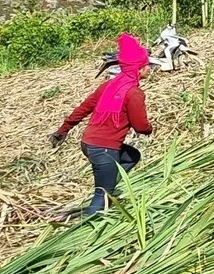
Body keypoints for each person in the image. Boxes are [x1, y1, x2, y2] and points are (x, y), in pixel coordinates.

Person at [51, 34, 153, 217]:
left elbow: (83, 109)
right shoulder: (134, 93)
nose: (149, 68)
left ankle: (108, 186)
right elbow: (141, 127)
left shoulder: (108, 86)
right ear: (139, 69)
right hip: (104, 149)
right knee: (102, 196)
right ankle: (85, 232)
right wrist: (149, 128)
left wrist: (63, 130)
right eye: (147, 65)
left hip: (88, 144)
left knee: (131, 156)